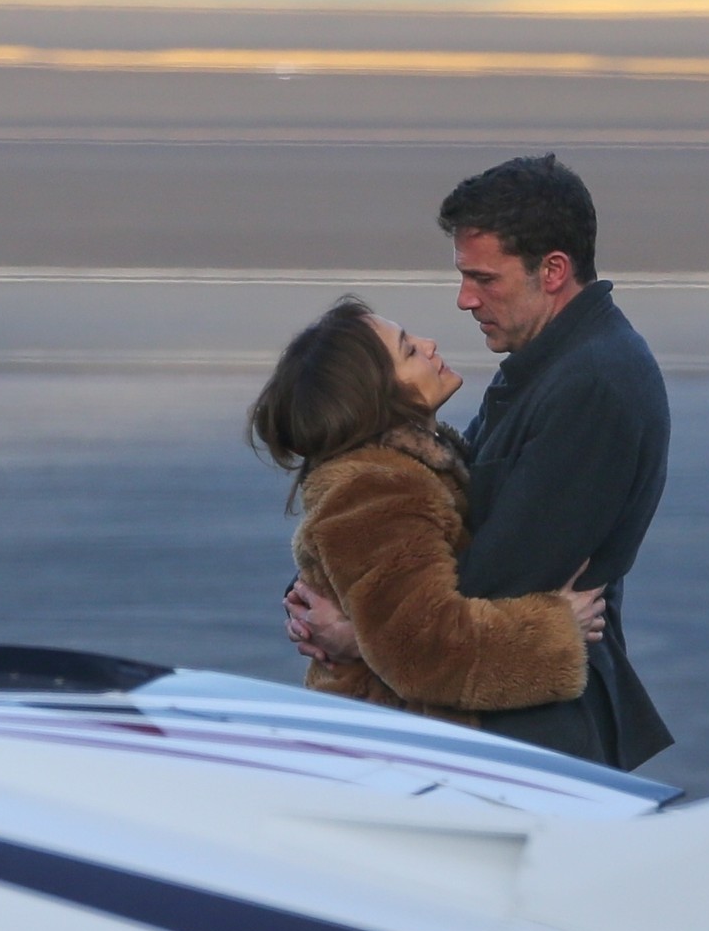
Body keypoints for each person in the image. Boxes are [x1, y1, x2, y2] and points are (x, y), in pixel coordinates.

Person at [288, 154, 673, 769]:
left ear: (552, 271)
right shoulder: (544, 365)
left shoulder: (592, 384)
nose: (465, 300)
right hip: (491, 721)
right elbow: (436, 536)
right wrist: (337, 580)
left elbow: (493, 584)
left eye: (484, 279)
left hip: (529, 741)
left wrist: (356, 633)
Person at [250, 297, 608, 726]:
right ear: (377, 396)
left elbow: (388, 616)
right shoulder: (377, 488)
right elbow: (422, 650)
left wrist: (357, 636)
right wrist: (555, 629)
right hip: (394, 748)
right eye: (408, 350)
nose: (429, 344)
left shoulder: (412, 467)